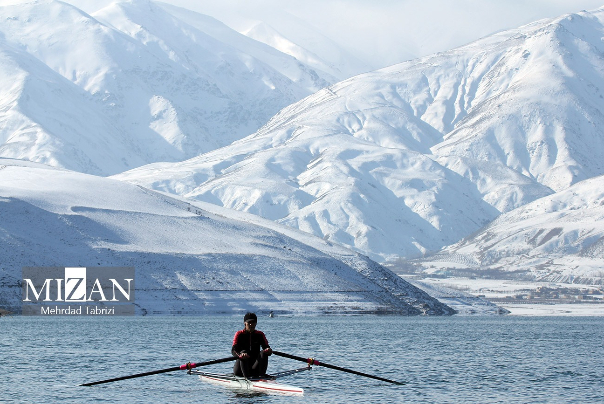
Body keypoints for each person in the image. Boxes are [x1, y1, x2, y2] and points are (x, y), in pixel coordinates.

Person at [231, 312, 273, 379]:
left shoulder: (260, 334)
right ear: (245, 323)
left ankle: (261, 376)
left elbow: (266, 347)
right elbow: (233, 350)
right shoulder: (239, 334)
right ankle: (247, 379)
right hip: (240, 369)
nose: (251, 324)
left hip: (254, 366)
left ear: (256, 323)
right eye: (249, 322)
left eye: (253, 322)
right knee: (244, 352)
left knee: (263, 352)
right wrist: (240, 355)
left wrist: (268, 350)